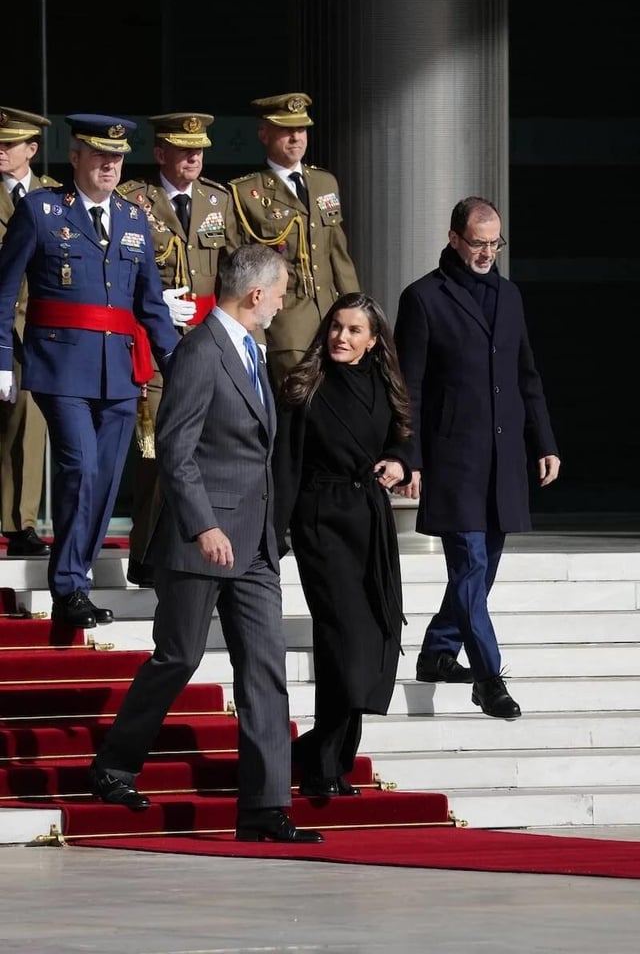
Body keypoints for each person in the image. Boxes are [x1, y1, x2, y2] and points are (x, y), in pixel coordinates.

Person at [90, 244, 323, 845]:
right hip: (204, 540)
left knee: (265, 670)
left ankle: (265, 809)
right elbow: (175, 447)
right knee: (178, 658)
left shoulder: (252, 350)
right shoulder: (201, 351)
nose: (281, 302)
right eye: (279, 292)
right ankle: (113, 765)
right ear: (254, 295)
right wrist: (202, 525)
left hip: (256, 544)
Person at [0, 114, 178, 629]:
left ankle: (73, 578)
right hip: (60, 365)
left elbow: (149, 305)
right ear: (75, 156)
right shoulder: (41, 209)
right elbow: (4, 289)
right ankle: (70, 585)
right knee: (80, 467)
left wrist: (177, 364)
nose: (109, 165)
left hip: (118, 372)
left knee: (103, 481)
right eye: (99, 155)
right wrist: (1, 359)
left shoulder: (133, 218)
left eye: (117, 157)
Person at [393, 196, 560, 720]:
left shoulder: (508, 296)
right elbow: (408, 387)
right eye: (478, 243)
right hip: (452, 457)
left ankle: (439, 652)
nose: (488, 252)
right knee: (469, 564)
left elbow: (525, 373)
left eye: (495, 243)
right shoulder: (422, 297)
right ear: (454, 238)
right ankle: (489, 678)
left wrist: (546, 442)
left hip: (504, 455)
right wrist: (408, 455)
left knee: (482, 571)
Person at [273, 292, 413, 796]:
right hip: (321, 521)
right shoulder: (303, 385)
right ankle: (322, 766)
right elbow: (284, 466)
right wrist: (274, 535)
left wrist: (400, 460)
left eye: (354, 331)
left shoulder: (384, 381)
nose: (341, 337)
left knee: (373, 638)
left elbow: (403, 433)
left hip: (370, 522)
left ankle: (323, 757)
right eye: (336, 327)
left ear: (373, 342)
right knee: (343, 643)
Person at [117, 111, 243, 588]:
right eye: (183, 149)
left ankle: (190, 553)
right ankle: (146, 555)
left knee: (207, 450)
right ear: (160, 153)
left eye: (200, 149)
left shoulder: (218, 199)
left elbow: (234, 270)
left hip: (206, 341)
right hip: (153, 338)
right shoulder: (134, 201)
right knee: (156, 452)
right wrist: (146, 305)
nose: (193, 157)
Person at [229, 92, 360, 391]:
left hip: (332, 316)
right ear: (264, 134)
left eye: (301, 130)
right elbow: (244, 273)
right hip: (285, 322)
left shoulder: (324, 182)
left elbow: (338, 254)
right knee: (298, 405)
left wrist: (356, 310)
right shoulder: (246, 193)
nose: (296, 138)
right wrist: (255, 332)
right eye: (286, 130)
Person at [0, 106, 60, 557]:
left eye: (9, 144)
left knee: (27, 423)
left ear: (32, 149)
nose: (1, 151)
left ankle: (19, 522)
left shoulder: (55, 197)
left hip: (32, 323)